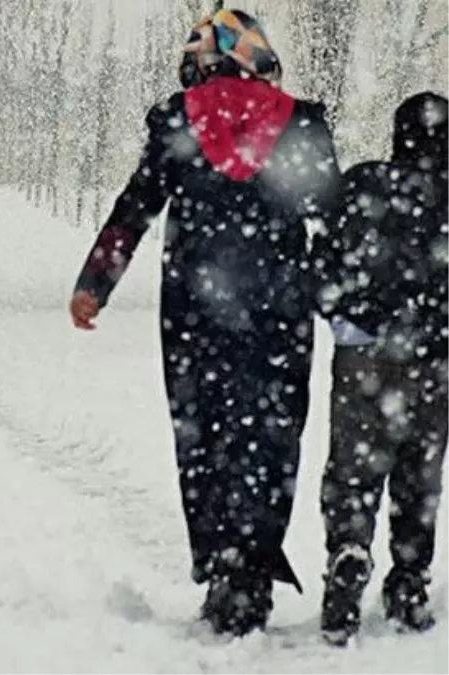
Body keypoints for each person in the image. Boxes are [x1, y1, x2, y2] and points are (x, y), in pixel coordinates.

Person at [68, 8, 341, 636]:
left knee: (204, 433)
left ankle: (222, 569)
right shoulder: (299, 122)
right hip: (279, 310)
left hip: (195, 310)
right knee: (271, 435)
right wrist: (342, 299)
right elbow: (328, 216)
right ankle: (253, 568)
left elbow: (134, 208)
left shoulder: (177, 120)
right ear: (260, 56)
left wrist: (94, 285)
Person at [314, 91, 449, 646]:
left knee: (352, 466)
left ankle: (347, 550)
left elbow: (324, 261)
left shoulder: (362, 184)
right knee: (420, 477)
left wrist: (345, 319)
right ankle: (409, 584)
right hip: (436, 359)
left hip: (363, 354)